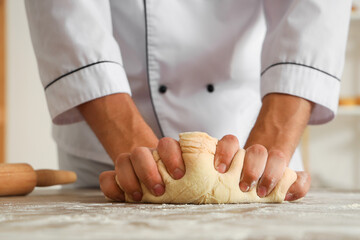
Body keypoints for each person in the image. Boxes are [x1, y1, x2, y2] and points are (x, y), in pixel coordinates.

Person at [25, 0, 351, 202]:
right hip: (108, 144)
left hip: (251, 130)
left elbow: (315, 9)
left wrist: (274, 142)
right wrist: (129, 144)